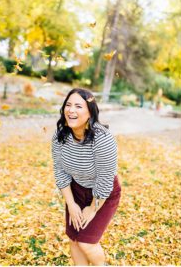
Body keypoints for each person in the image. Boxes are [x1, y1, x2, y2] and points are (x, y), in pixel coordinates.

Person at [51, 88, 121, 266]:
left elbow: (105, 181)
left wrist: (92, 209)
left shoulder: (103, 139)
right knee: (74, 238)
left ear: (90, 111)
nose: (71, 110)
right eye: (68, 105)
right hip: (75, 190)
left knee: (86, 242)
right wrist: (72, 204)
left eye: (78, 106)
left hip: (103, 193)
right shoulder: (60, 136)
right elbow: (60, 172)